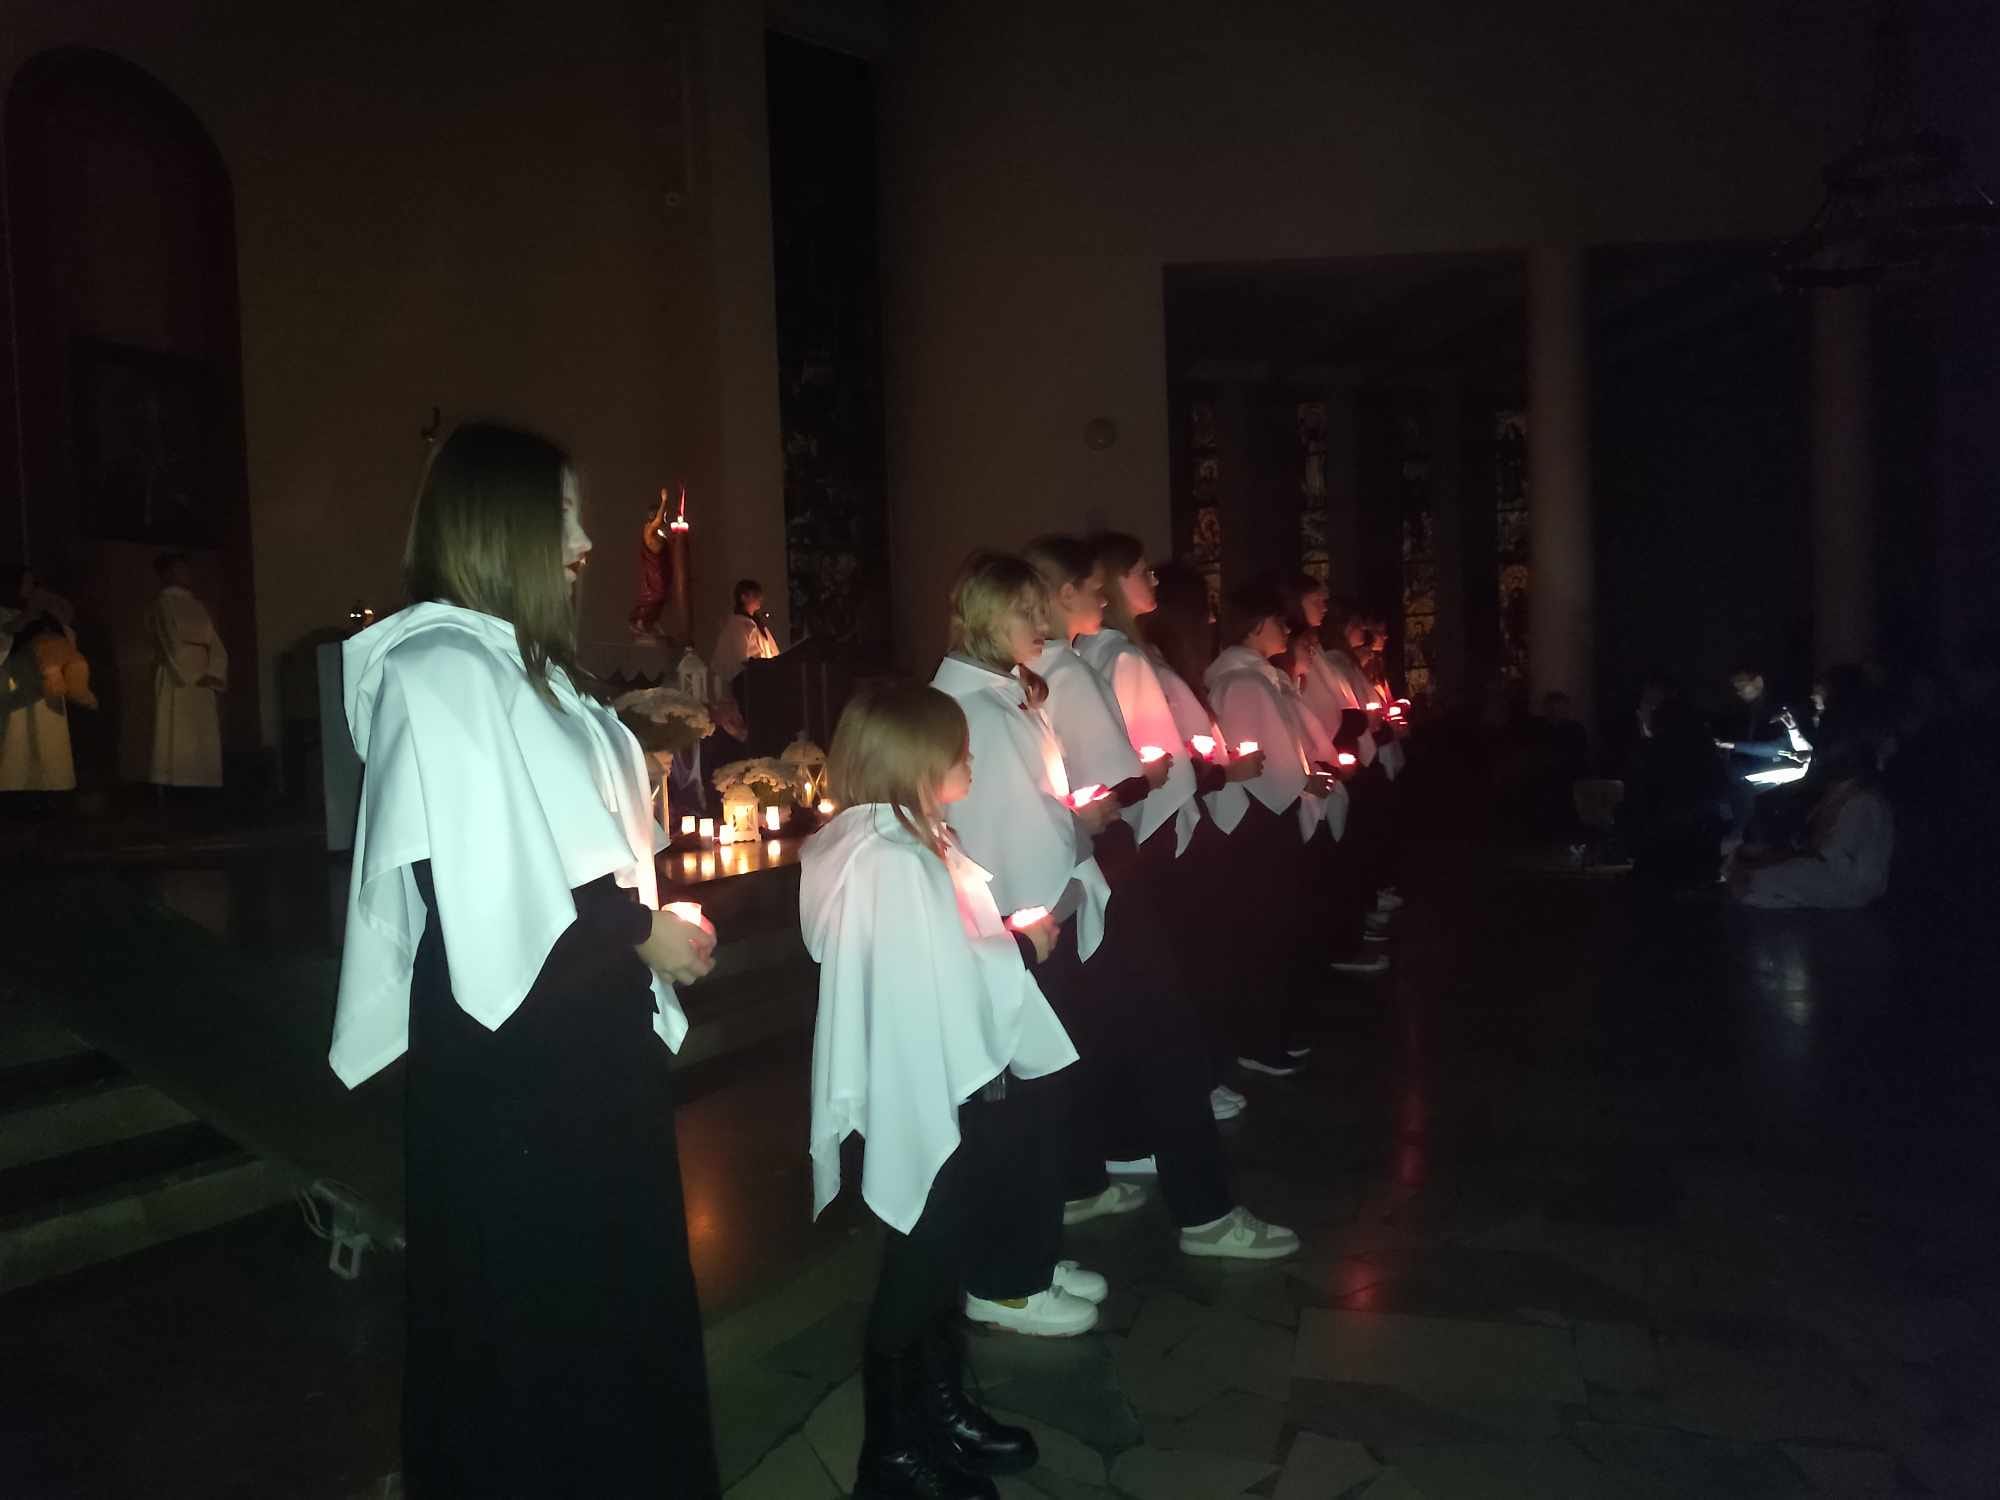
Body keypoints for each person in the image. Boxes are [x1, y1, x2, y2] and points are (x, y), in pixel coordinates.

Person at [328, 423, 722, 1497]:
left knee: (609, 1300)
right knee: (530, 1318)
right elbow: (472, 880)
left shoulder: (528, 667)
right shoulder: (439, 669)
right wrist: (637, 932)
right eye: (563, 518)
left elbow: (565, 844)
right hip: (517, 1054)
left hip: (586, 1032)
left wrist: (637, 928)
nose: (586, 543)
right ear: (498, 527)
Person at [802, 682, 1078, 1500]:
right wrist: (1021, 947)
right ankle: (889, 1451)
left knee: (940, 1255)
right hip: (913, 1091)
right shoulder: (890, 860)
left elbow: (937, 960)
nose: (971, 759)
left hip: (931, 1079)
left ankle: (942, 1409)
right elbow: (931, 981)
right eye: (958, 749)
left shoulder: (905, 840)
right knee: (915, 1269)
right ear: (913, 760)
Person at [930, 552, 1112, 1336]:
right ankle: (1003, 1279)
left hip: (1036, 925)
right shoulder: (964, 708)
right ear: (982, 615)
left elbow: (1033, 808)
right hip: (1005, 937)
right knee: (1014, 1110)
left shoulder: (1005, 695)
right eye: (1024, 611)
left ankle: (1031, 1252)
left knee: (1045, 1102)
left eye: (1042, 609)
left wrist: (1073, 831)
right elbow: (985, 827)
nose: (1043, 625)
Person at [1730, 729, 1894, 909]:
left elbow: (1829, 855)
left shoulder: (1863, 801)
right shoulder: (1842, 793)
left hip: (1850, 882)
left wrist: (1774, 858)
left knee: (1755, 879)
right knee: (1747, 859)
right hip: (1832, 868)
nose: (1818, 762)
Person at [1, 572, 89, 797]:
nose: (31, 588)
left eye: (33, 583)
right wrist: (25, 621)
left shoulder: (45, 615)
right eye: (27, 583)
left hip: (45, 685)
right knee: (17, 742)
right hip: (16, 683)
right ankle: (15, 793)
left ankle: (49, 792)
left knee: (47, 742)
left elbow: (66, 640)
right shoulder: (5, 613)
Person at [146, 552, 227, 789]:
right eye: (179, 569)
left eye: (185, 569)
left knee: (201, 732)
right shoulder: (163, 604)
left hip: (203, 674)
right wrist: (185, 671)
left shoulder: (197, 606)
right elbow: (168, 639)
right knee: (176, 729)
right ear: (167, 574)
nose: (185, 574)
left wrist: (214, 671)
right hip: (177, 675)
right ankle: (175, 784)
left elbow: (214, 642)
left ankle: (202, 784)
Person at [710, 577, 780, 696]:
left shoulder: (755, 623)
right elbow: (740, 659)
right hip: (750, 682)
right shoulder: (738, 625)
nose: (759, 599)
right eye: (755, 595)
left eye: (759, 595)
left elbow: (771, 651)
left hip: (762, 677)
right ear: (743, 597)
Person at [629, 487, 673, 638]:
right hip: (653, 573)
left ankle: (652, 621)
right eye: (662, 515)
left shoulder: (659, 532)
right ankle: (640, 622)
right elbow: (659, 521)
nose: (664, 518)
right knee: (655, 595)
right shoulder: (649, 529)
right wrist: (664, 501)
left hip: (660, 569)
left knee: (663, 596)